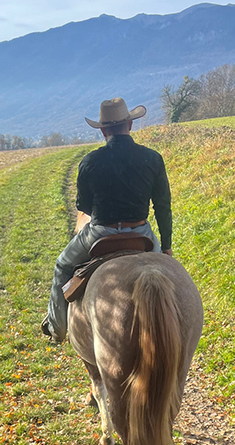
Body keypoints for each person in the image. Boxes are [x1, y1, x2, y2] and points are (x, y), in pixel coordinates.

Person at [42, 97, 173, 343]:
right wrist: (166, 245)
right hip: (141, 234)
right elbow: (163, 207)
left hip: (100, 233)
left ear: (103, 131)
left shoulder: (90, 161)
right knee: (169, 275)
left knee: (62, 266)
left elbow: (83, 206)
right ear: (130, 125)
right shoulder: (153, 158)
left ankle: (57, 329)